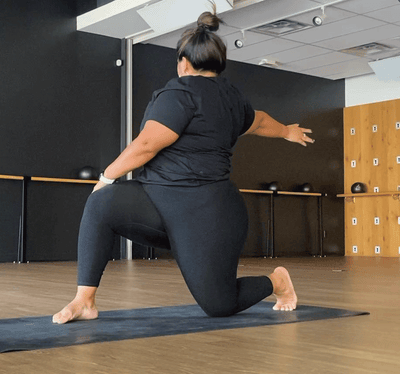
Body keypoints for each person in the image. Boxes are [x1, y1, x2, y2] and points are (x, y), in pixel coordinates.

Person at [53, 8, 312, 325]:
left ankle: (277, 281)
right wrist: (287, 131)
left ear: (184, 62)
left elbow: (147, 144)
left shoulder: (179, 92)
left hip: (207, 214)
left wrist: (107, 177)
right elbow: (259, 121)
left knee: (219, 304)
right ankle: (85, 301)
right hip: (160, 202)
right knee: (101, 206)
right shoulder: (232, 99)